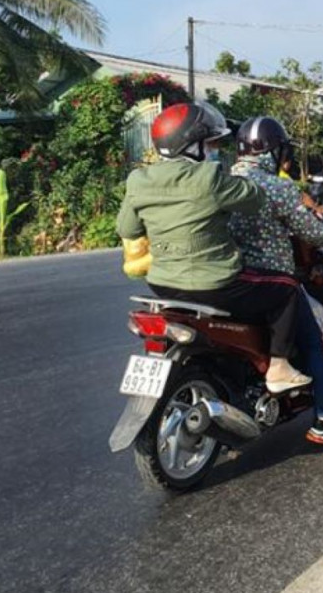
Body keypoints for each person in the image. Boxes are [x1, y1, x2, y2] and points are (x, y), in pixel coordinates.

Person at [116, 102, 312, 394]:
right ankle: (279, 367)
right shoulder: (210, 178)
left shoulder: (139, 180)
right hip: (216, 283)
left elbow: (128, 229)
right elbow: (254, 199)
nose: (214, 149)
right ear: (192, 147)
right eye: (210, 144)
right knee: (287, 288)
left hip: (162, 284)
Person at [230, 116, 323, 446]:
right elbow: (311, 232)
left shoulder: (223, 181)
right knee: (313, 340)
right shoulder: (278, 187)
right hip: (272, 279)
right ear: (273, 151)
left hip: (228, 278)